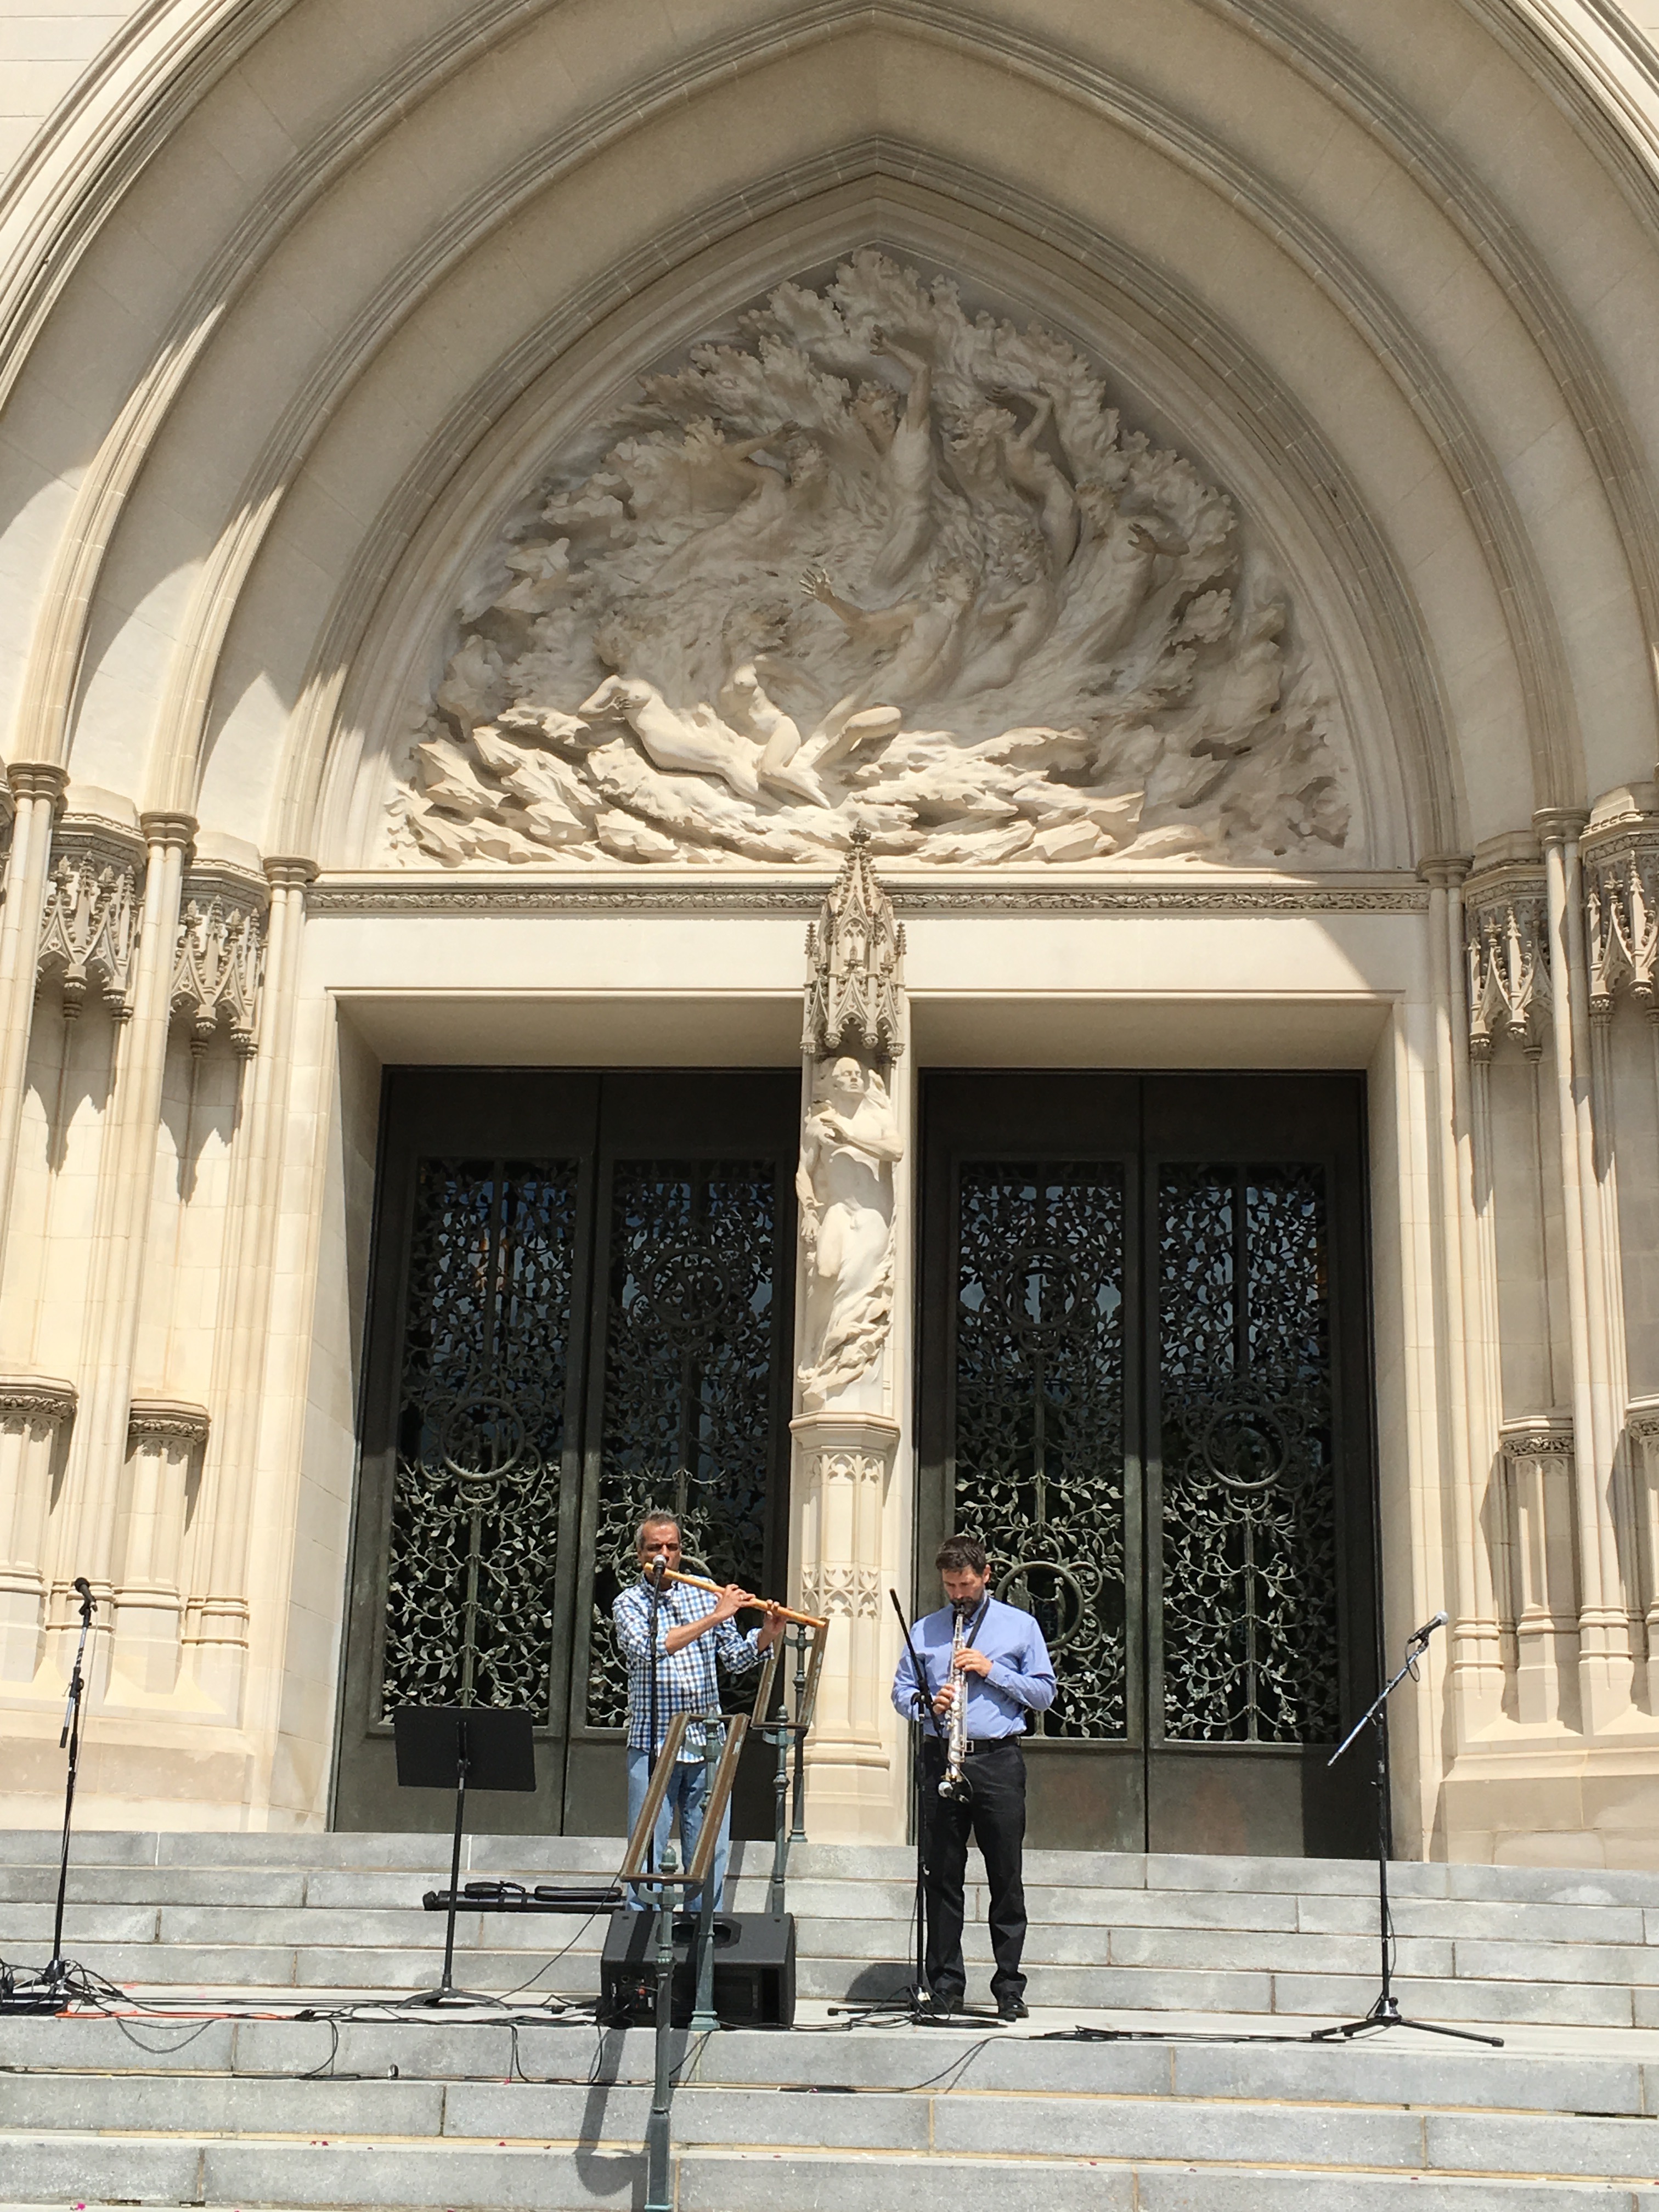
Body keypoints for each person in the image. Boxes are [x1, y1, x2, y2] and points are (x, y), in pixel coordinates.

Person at [891, 1533, 1056, 2022]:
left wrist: (991, 1670)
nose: (959, 1595)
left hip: (998, 1760)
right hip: (942, 1754)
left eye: (966, 1584)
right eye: (950, 1586)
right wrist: (926, 1703)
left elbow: (1044, 1694)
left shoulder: (1019, 1626)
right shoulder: (926, 1630)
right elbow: (902, 1691)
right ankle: (945, 1985)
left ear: (985, 1576)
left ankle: (1009, 1986)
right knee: (942, 1876)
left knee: (1006, 1874)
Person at [612, 1511, 782, 1911]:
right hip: (653, 1743)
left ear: (681, 1551)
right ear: (641, 1553)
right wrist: (716, 1616)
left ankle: (704, 1948)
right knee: (646, 1855)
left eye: (672, 1547)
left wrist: (766, 1634)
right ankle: (640, 1960)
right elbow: (651, 1649)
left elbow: (736, 1659)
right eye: (655, 1548)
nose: (665, 1555)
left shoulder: (705, 1591)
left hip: (707, 1744)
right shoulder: (629, 1603)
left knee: (710, 1854)